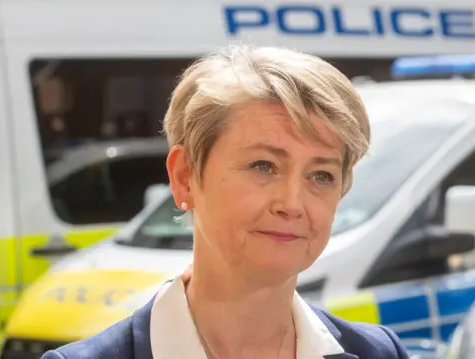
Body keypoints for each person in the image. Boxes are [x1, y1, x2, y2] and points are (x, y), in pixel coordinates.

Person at [42, 44, 410, 359]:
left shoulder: (377, 352)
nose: (292, 203)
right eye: (263, 166)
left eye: (321, 175)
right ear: (185, 177)